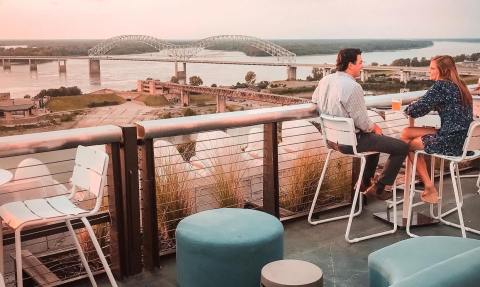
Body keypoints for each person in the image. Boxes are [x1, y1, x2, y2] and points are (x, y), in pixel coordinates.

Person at [312, 48, 408, 200]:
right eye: (360, 62)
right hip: (351, 143)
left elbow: (315, 102)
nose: (363, 65)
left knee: (376, 142)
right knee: (401, 147)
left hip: (331, 140)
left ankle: (364, 184)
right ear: (350, 65)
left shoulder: (325, 81)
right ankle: (378, 188)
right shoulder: (353, 87)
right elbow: (363, 123)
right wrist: (374, 126)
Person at [400, 55, 473, 204]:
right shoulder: (462, 86)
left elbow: (415, 111)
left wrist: (410, 106)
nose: (429, 71)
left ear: (443, 70)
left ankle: (429, 186)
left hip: (451, 142)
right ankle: (425, 185)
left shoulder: (441, 86)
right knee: (406, 132)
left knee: (406, 145)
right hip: (465, 139)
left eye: (432, 68)